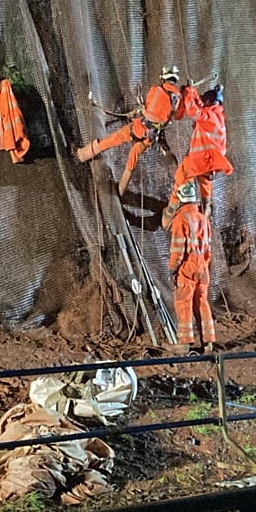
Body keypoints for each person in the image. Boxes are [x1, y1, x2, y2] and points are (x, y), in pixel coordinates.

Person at [76, 66, 185, 195]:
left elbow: (148, 106)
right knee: (132, 159)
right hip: (150, 137)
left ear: (164, 77)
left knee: (112, 139)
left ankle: (82, 155)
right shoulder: (178, 99)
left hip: (138, 127)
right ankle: (120, 191)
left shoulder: (156, 90)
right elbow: (177, 116)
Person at [166, 83, 233, 218]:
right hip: (210, 164)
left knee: (181, 181)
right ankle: (203, 221)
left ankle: (168, 217)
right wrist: (193, 94)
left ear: (209, 102)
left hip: (199, 161)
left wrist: (189, 92)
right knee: (205, 196)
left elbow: (193, 111)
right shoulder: (217, 116)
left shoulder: (209, 115)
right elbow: (199, 107)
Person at [165, 180, 216, 353]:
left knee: (183, 302)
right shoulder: (203, 219)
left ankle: (185, 343)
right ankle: (208, 342)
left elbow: (178, 249)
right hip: (203, 266)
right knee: (202, 302)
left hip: (187, 266)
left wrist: (173, 268)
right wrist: (205, 266)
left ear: (180, 199)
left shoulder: (181, 219)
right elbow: (208, 249)